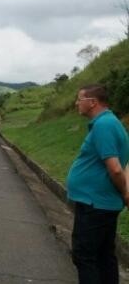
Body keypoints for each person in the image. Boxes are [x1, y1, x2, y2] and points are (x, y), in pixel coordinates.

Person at [67, 84, 129, 284]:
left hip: (95, 204)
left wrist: (125, 191)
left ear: (92, 102)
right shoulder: (110, 123)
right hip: (101, 203)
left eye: (79, 99)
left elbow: (116, 168)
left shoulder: (104, 125)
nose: (77, 103)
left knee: (84, 256)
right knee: (104, 255)